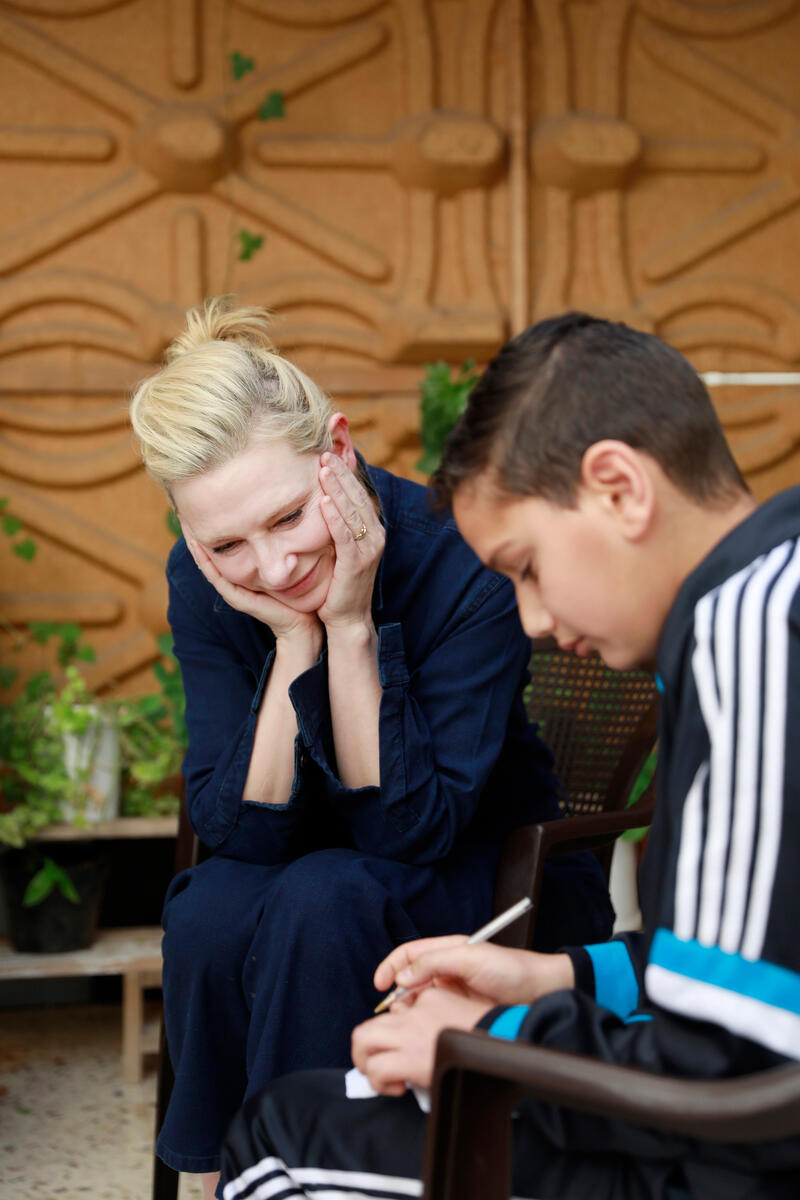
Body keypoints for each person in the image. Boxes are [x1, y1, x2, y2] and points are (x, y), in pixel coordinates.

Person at [218, 311, 800, 1200]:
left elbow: (733, 1076)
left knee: (280, 1141)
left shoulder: (749, 628)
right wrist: (562, 973)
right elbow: (760, 971)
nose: (531, 620)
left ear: (618, 487)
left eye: (526, 566)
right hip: (717, 1124)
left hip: (724, 1167)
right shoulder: (765, 600)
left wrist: (489, 1044)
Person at [129, 299, 614, 1197]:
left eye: (285, 520)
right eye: (226, 542)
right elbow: (239, 829)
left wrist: (348, 626)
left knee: (327, 892)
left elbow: (406, 832)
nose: (271, 570)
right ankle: (221, 1177)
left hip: (502, 874)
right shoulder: (205, 579)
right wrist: (293, 645)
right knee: (211, 905)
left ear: (337, 454)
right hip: (317, 872)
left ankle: (309, 1173)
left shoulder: (458, 556)